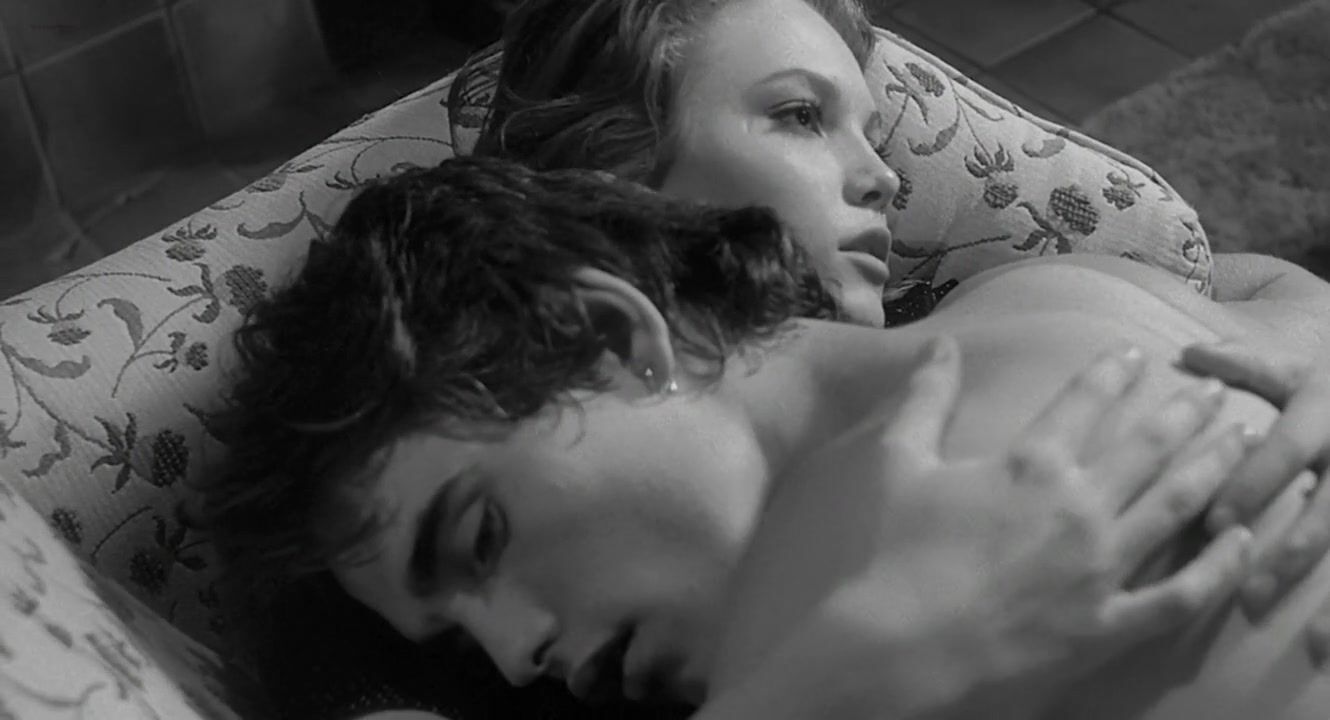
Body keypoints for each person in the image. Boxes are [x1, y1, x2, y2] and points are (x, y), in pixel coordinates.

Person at [200, 155, 1330, 719]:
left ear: (610, 336)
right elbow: (1253, 282)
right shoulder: (1051, 290)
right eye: (456, 640)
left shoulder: (841, 582)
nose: (514, 658)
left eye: (479, 539)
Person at [464, 0, 1330, 615]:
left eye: (871, 132)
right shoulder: (512, 470)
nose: (885, 176)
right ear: (614, 169)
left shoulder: (978, 321)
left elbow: (1239, 283)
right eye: (801, 116)